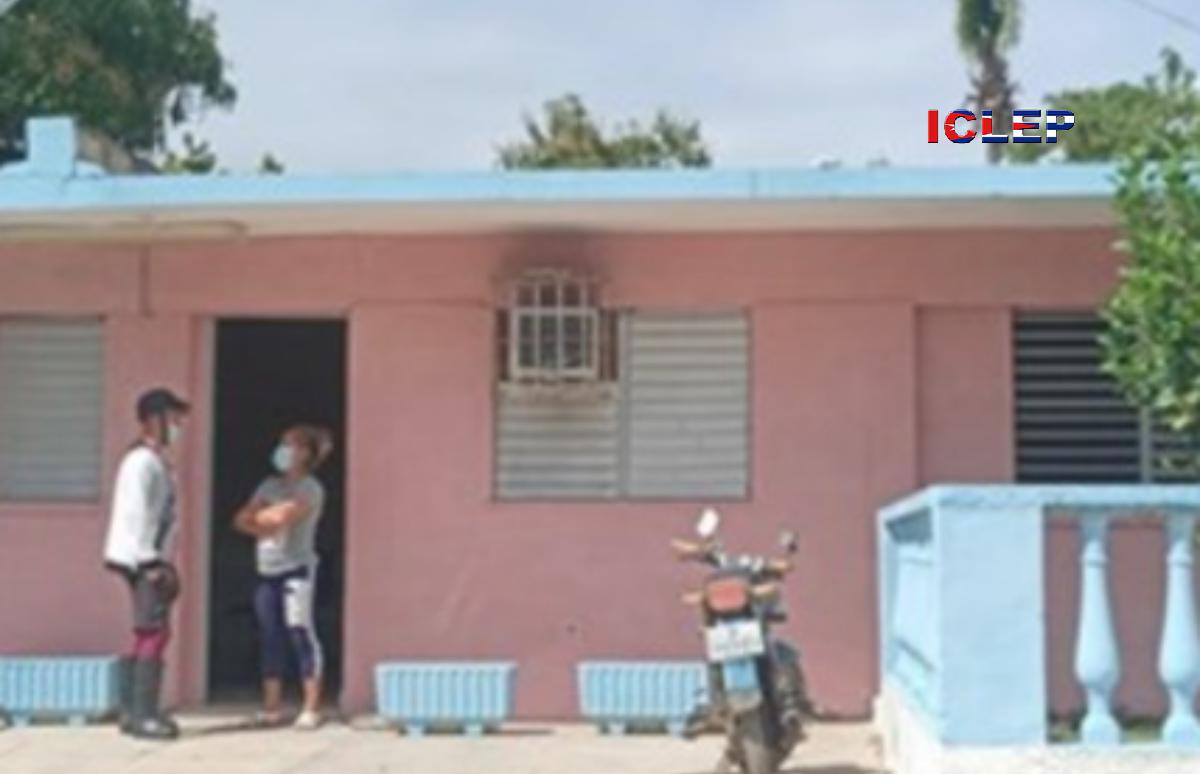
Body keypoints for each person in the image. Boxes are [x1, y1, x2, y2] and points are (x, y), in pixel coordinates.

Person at [103, 387, 190, 740]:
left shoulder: (156, 461)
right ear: (154, 420)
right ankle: (143, 713)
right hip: (142, 558)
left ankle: (134, 710)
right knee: (153, 631)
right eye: (174, 418)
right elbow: (136, 513)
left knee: (150, 630)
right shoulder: (141, 462)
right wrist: (150, 562)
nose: (178, 426)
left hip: (149, 556)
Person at [234, 424, 333, 730]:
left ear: (305, 453)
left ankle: (311, 706)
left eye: (290, 445)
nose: (283, 451)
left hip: (296, 569)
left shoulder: (310, 488)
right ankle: (272, 707)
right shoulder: (268, 485)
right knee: (269, 634)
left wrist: (261, 517)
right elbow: (241, 520)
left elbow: (282, 517)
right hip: (267, 569)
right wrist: (261, 519)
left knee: (299, 631)